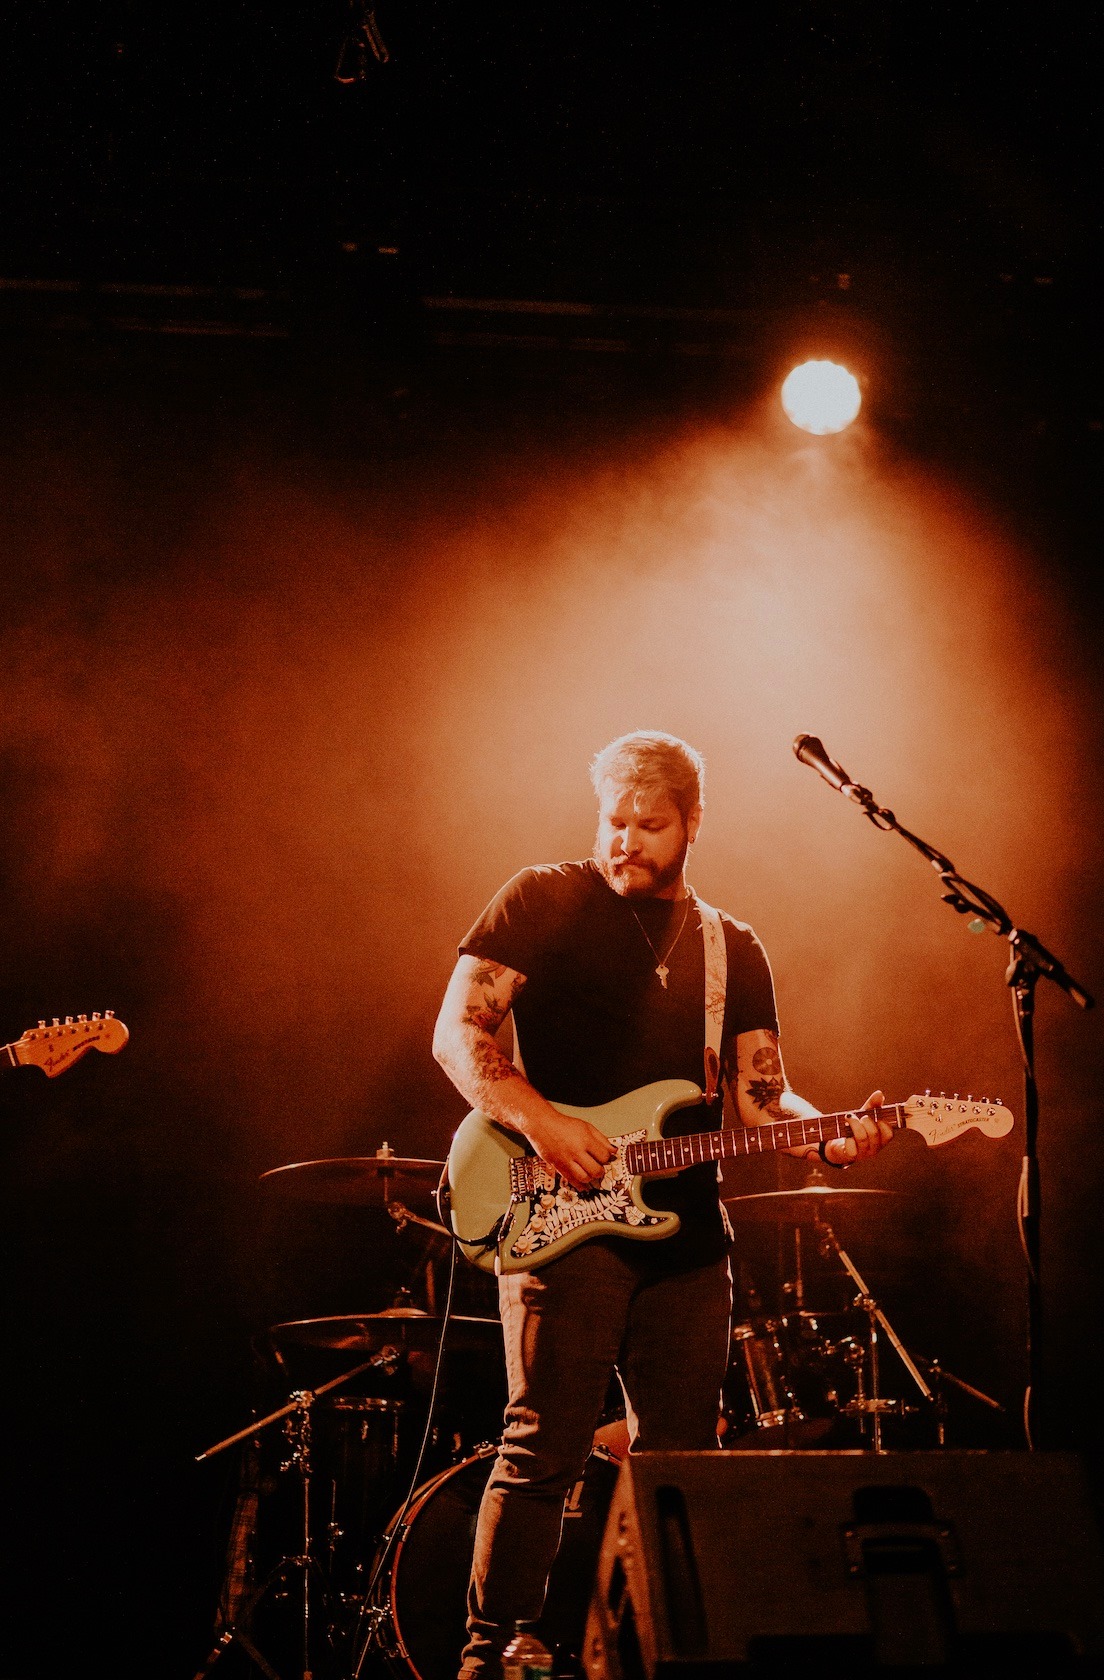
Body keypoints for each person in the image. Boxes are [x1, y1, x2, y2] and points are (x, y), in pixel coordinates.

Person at [432, 730, 891, 1679]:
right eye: (614, 820)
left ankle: (665, 1648)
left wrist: (829, 1131)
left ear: (692, 827)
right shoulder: (543, 899)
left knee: (686, 1465)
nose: (626, 841)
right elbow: (459, 1032)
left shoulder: (733, 947)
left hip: (688, 1244)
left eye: (650, 824)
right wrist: (545, 1123)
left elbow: (764, 1097)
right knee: (542, 1445)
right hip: (562, 1215)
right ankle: (494, 1648)